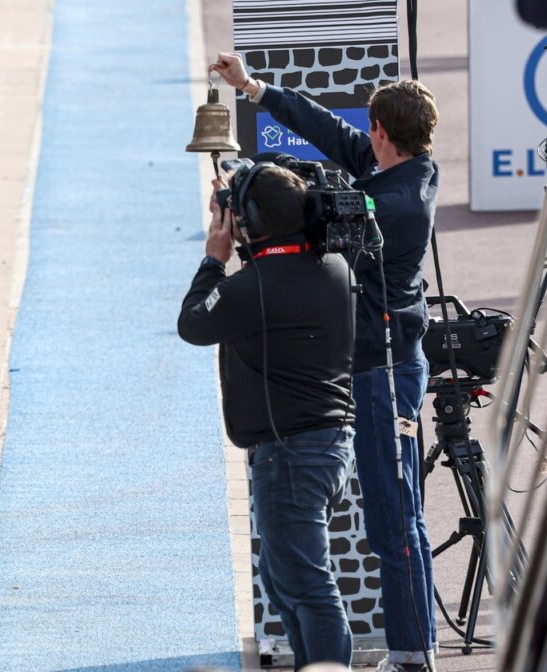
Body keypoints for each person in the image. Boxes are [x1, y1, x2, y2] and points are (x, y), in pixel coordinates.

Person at [210, 52, 440, 672]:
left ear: (383, 133)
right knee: (394, 517)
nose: (361, 138)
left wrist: (255, 185)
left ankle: (414, 655)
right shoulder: (400, 169)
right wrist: (253, 89)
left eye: (368, 131)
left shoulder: (396, 205)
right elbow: (327, 130)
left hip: (381, 373)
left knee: (396, 519)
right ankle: (413, 649)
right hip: (373, 366)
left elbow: (315, 222)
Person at [178, 160, 356, 671]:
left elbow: (193, 322)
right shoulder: (335, 266)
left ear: (248, 223)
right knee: (288, 584)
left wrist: (216, 256)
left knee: (307, 587)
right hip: (322, 448)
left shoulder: (249, 288)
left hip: (292, 459)